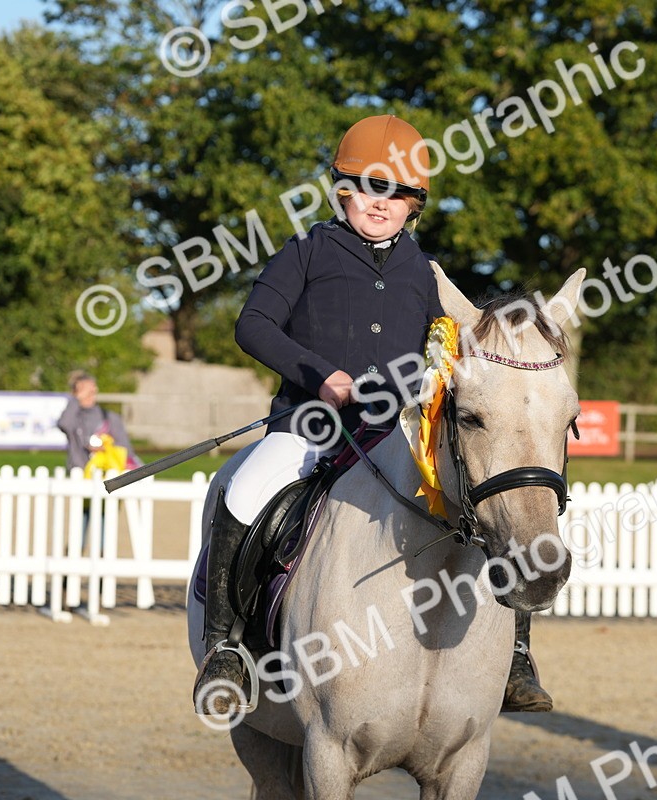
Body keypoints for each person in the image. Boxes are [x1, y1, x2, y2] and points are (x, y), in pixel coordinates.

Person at [193, 115, 552, 716]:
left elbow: (469, 347)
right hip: (312, 429)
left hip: (399, 435)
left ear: (416, 204)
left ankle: (515, 653)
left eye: (399, 192)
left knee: (487, 500)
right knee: (244, 489)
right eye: (369, 187)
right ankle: (225, 649)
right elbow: (251, 325)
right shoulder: (305, 251)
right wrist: (319, 375)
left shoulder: (428, 273)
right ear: (343, 190)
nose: (381, 203)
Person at [56, 371, 140, 475]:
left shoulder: (109, 417)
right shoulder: (73, 417)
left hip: (107, 473)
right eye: (81, 390)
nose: (87, 394)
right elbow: (64, 424)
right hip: (79, 473)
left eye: (90, 390)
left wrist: (105, 447)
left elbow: (126, 450)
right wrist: (76, 399)